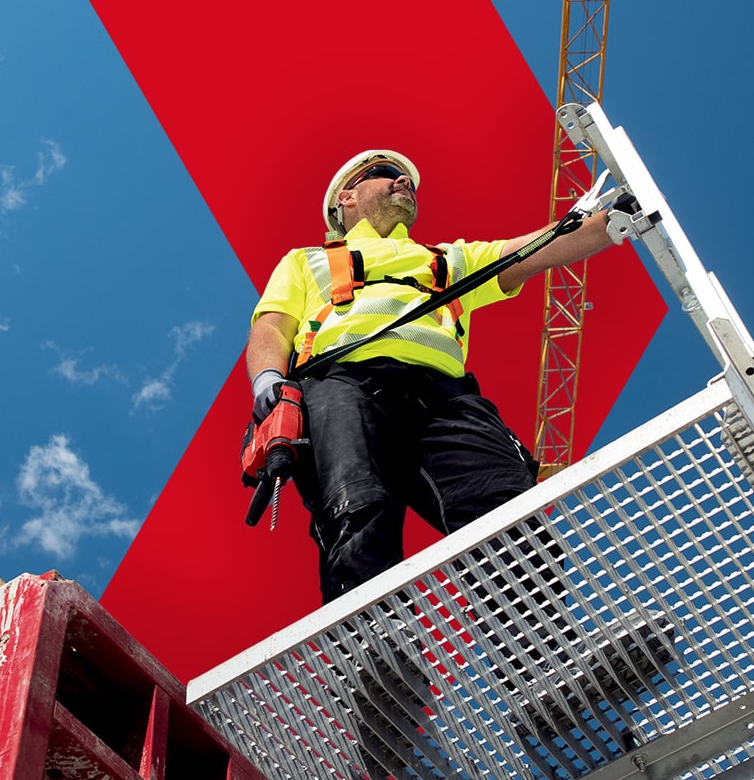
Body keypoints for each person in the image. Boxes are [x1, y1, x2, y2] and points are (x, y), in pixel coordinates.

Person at [245, 149, 622, 603]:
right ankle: (374, 657)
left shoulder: (448, 259)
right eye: (387, 175)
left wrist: (613, 220)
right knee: (356, 506)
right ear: (345, 197)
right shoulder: (307, 261)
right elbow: (271, 325)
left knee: (503, 509)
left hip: (444, 398)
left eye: (408, 180)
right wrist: (267, 377)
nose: (403, 181)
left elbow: (534, 249)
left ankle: (557, 653)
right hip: (338, 386)